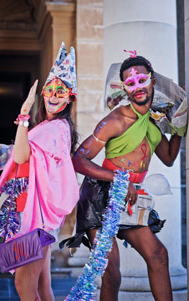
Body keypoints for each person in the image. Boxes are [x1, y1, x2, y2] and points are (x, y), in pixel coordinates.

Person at [62, 54, 183, 301]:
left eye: (141, 80)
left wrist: (179, 127)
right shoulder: (116, 120)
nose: (137, 87)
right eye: (130, 83)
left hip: (131, 193)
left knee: (158, 255)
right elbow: (77, 159)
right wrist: (118, 178)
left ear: (152, 82)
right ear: (125, 89)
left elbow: (169, 157)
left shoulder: (153, 123)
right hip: (100, 195)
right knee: (112, 274)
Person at [0, 42, 79, 301]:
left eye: (60, 92)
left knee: (23, 284)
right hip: (35, 216)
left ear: (70, 97)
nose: (53, 95)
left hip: (35, 219)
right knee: (42, 286)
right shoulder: (53, 128)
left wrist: (23, 113)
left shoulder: (55, 128)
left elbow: (20, 155)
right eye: (49, 90)